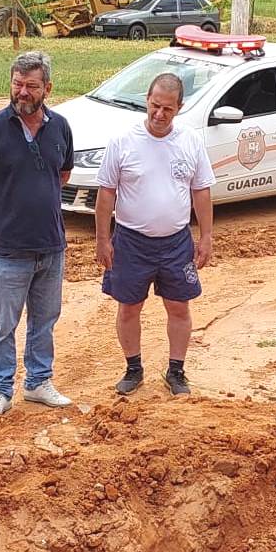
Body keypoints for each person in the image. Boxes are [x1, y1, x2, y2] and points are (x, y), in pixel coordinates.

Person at [0, 51, 76, 416]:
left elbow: (62, 175)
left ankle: (38, 382)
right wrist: (4, 207)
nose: (22, 92)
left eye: (31, 86)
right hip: (8, 250)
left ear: (47, 89)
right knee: (4, 326)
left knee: (45, 321)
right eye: (17, 84)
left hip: (51, 247)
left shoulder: (61, 127)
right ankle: (0, 389)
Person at [94, 73, 215, 396]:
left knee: (179, 307)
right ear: (146, 100)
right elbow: (106, 193)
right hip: (130, 241)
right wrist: (103, 239)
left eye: (168, 109)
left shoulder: (190, 141)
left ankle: (177, 371)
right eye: (155, 106)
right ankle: (133, 368)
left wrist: (206, 236)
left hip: (176, 242)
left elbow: (201, 191)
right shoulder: (123, 142)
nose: (159, 114)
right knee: (129, 307)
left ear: (180, 108)